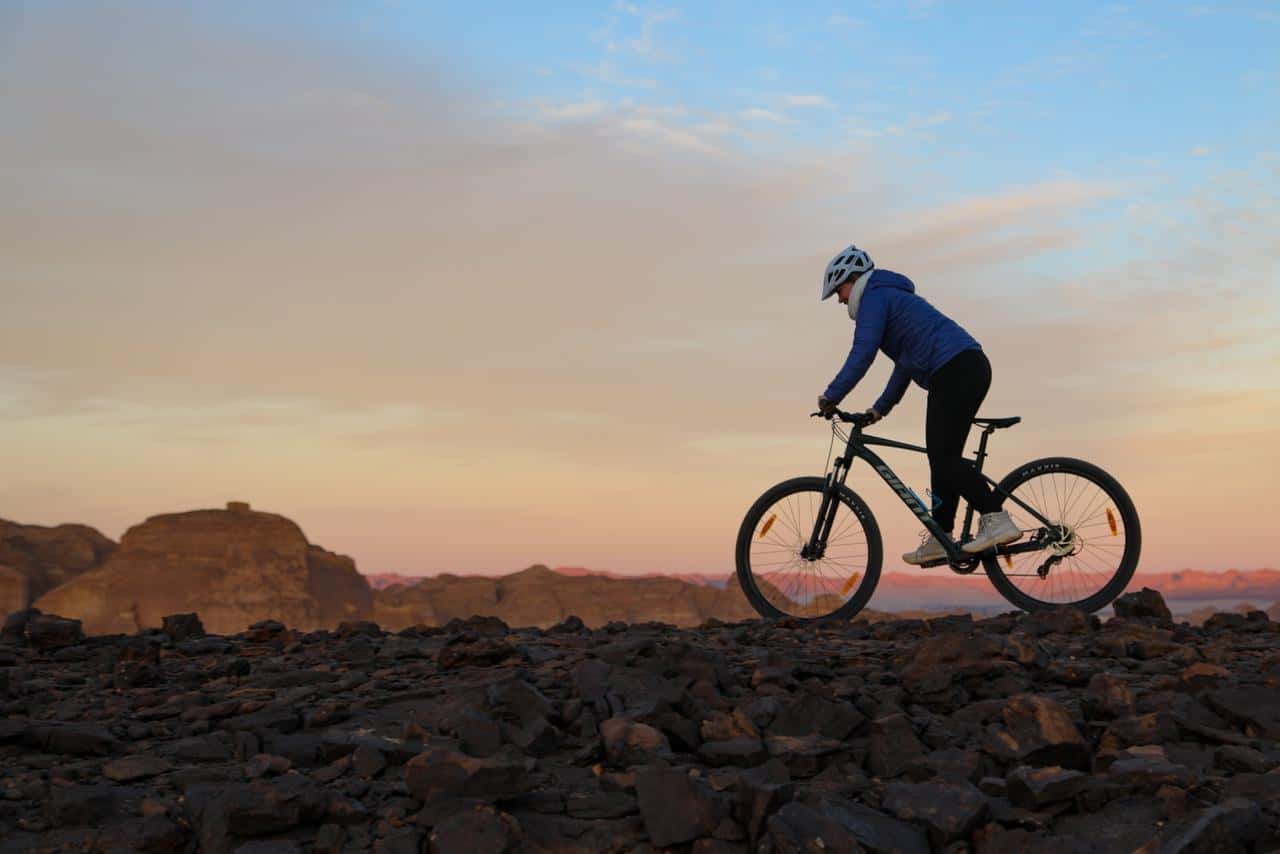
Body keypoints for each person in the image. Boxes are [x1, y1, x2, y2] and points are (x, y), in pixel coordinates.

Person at [815, 244, 1021, 564]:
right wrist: (879, 409)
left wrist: (831, 396)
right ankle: (942, 535)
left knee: (944, 457)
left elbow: (863, 352)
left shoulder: (875, 298)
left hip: (956, 370)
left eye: (839, 291)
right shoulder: (890, 300)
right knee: (941, 459)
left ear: (853, 279)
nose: (840, 300)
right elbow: (905, 364)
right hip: (962, 368)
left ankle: (996, 518)